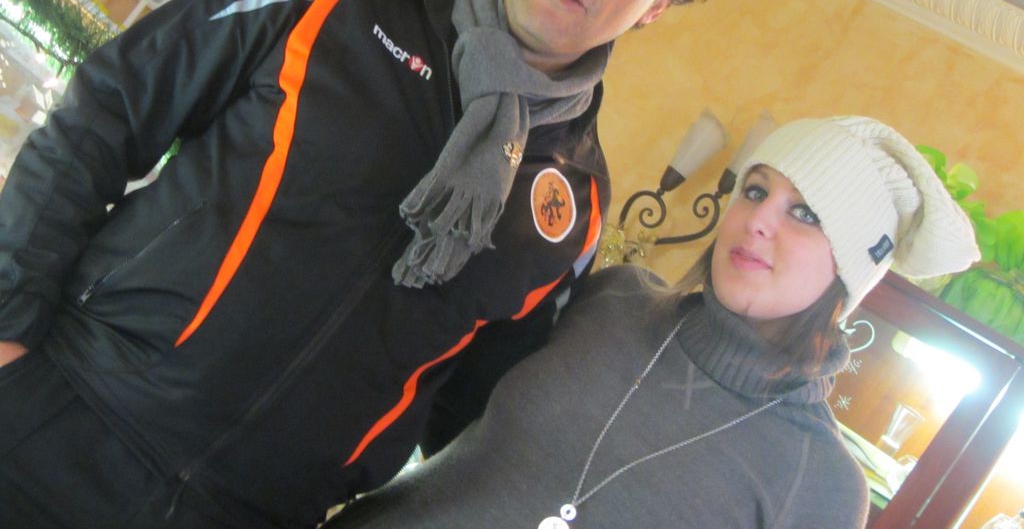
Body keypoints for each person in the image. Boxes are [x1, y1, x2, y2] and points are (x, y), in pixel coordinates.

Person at [0, 0, 732, 528]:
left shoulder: (575, 206)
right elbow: (109, 111)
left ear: (658, 4)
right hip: (56, 412)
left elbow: (474, 424)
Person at [326, 115, 981, 528]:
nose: (758, 219)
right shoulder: (613, 297)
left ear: (851, 272)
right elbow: (456, 406)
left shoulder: (820, 482)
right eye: (755, 191)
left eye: (806, 214)